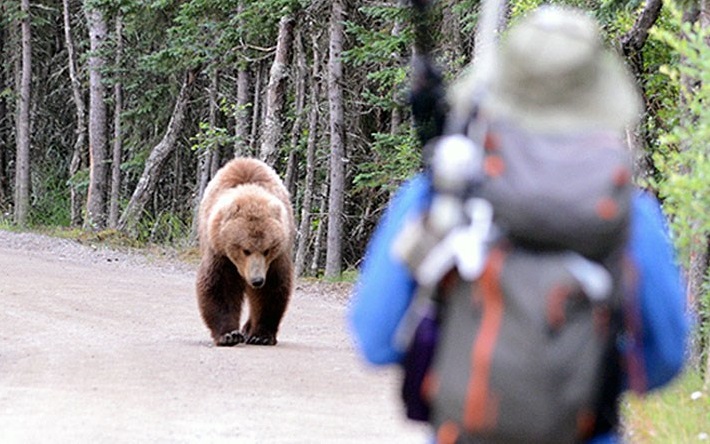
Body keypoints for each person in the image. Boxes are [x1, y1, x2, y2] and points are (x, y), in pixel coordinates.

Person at [348, 5, 688, 443]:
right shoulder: (629, 215)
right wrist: (577, 378)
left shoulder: (443, 193)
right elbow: (663, 362)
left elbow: (376, 339)